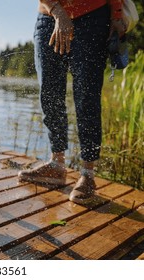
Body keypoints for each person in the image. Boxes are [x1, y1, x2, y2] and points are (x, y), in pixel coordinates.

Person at [18, 0, 126, 203]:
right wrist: (58, 12)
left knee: (87, 95)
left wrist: (117, 15)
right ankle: (57, 165)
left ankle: (88, 173)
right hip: (49, 16)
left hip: (93, 16)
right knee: (49, 93)